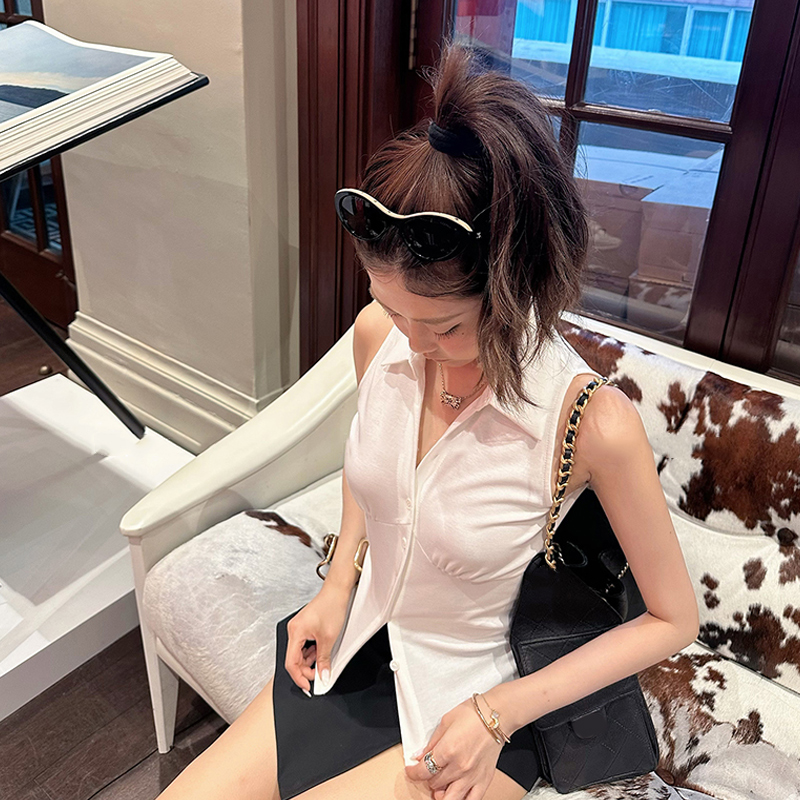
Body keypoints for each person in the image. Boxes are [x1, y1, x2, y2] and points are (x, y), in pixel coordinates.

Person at [158, 42, 699, 800]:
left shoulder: (588, 424)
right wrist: (337, 585)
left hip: (476, 698)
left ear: (513, 289)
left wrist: (497, 714)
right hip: (363, 648)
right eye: (391, 306)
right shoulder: (378, 339)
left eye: (444, 326)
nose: (413, 345)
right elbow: (373, 478)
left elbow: (674, 619)